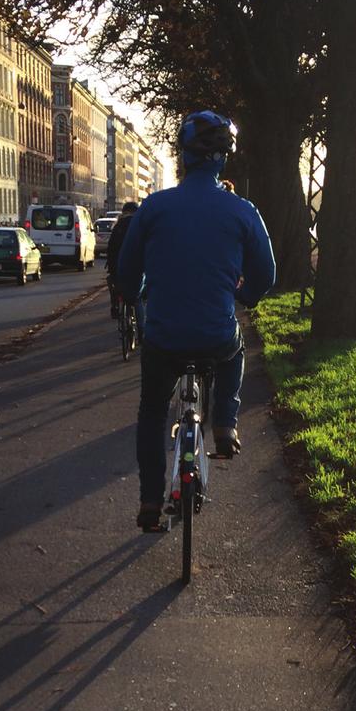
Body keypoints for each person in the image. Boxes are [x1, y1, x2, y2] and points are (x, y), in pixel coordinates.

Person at [116, 109, 275, 531]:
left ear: (182, 157)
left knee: (152, 412)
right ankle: (224, 423)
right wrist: (245, 296)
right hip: (215, 334)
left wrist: (133, 294)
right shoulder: (243, 210)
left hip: (164, 338)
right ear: (224, 158)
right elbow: (266, 275)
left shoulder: (153, 208)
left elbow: (128, 273)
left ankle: (151, 500)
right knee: (233, 346)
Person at [105, 200, 139, 320]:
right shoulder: (139, 225)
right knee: (138, 297)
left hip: (118, 266)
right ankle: (141, 329)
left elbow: (110, 248)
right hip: (136, 267)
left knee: (113, 282)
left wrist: (110, 266)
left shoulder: (118, 226)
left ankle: (114, 305)